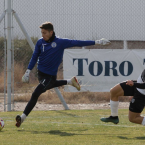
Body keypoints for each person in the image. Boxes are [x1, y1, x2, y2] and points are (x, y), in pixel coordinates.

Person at [15, 21, 111, 127]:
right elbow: (34, 57)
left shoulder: (60, 42)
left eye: (45, 33)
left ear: (51, 32)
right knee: (50, 84)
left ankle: (22, 118)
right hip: (41, 74)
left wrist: (97, 42)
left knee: (36, 93)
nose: (43, 35)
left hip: (49, 75)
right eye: (41, 33)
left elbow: (78, 42)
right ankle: (70, 82)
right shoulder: (39, 42)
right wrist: (28, 71)